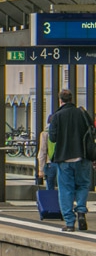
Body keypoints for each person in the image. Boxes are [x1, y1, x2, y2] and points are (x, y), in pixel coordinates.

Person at [49, 89, 91, 232]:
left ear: (60, 100)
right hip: (83, 157)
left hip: (64, 159)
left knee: (66, 190)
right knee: (83, 185)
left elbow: (52, 138)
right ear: (72, 99)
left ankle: (69, 222)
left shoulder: (57, 116)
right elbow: (92, 133)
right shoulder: (82, 114)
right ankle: (81, 211)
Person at [36, 114, 57, 190]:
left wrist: (40, 170)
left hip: (50, 163)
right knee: (63, 187)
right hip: (62, 163)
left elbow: (42, 152)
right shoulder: (62, 132)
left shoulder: (44, 133)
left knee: (50, 187)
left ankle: (51, 201)